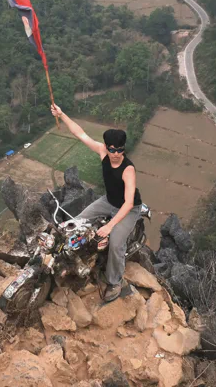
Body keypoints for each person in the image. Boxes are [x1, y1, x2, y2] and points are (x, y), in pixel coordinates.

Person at [51, 103, 142, 303]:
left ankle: (115, 280)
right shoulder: (102, 152)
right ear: (107, 147)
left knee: (117, 243)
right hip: (107, 201)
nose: (116, 153)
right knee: (76, 224)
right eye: (112, 149)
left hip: (128, 208)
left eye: (120, 149)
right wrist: (62, 113)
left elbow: (127, 203)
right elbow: (81, 134)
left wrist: (110, 226)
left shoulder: (128, 169)